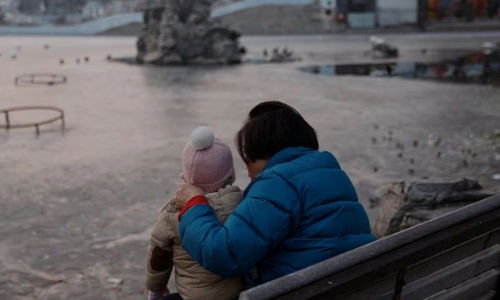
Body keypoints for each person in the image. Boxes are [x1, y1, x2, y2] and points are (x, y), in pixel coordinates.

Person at [176, 101, 376, 287]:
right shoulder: (333, 173)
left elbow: (223, 254)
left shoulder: (277, 183)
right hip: (353, 287)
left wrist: (194, 203)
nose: (248, 172)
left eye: (249, 160)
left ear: (266, 152)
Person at [145, 126, 245, 300]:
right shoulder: (244, 203)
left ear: (186, 178)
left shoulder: (173, 214)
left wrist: (155, 289)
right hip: (241, 293)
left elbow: (159, 258)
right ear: (231, 175)